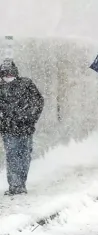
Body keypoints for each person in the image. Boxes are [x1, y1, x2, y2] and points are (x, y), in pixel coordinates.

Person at [0, 59, 44, 196]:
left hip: (26, 128)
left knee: (24, 156)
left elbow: (38, 102)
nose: (7, 76)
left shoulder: (26, 84)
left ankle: (21, 183)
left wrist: (29, 117)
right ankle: (15, 186)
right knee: (13, 156)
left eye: (10, 73)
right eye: (4, 73)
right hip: (8, 129)